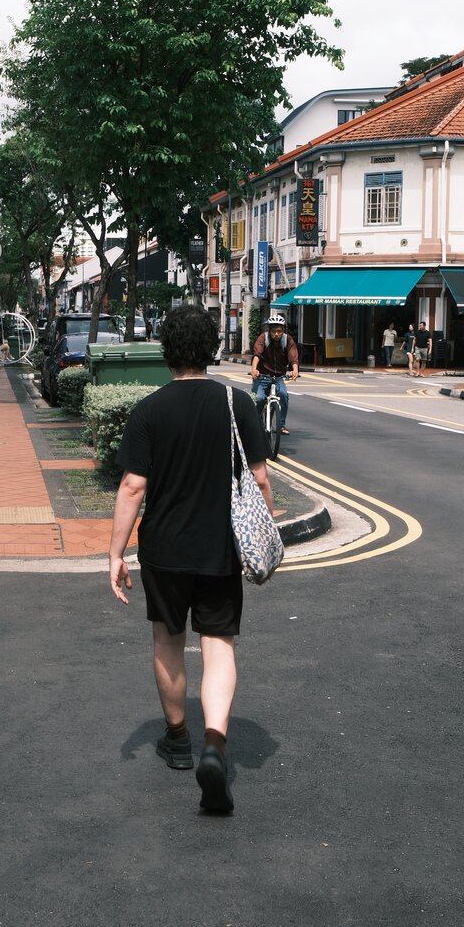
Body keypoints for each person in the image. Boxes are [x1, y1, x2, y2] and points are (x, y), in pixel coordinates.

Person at [109, 304, 274, 815]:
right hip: (219, 549)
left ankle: (178, 740)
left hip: (163, 549)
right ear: (211, 350)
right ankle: (215, 746)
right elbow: (261, 478)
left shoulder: (149, 410)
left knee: (168, 640)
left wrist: (115, 553)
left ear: (166, 352)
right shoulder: (236, 403)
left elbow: (134, 485)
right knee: (219, 644)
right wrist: (265, 531)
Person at [248, 310, 300, 436]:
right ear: (269, 330)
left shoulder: (287, 340)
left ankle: (281, 425)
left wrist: (295, 370)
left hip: (279, 377)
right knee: (259, 399)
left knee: (284, 395)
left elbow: (293, 357)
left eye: (279, 331)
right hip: (262, 376)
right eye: (274, 331)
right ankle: (256, 422)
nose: (276, 334)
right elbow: (257, 355)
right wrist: (254, 369)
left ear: (283, 330)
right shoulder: (263, 338)